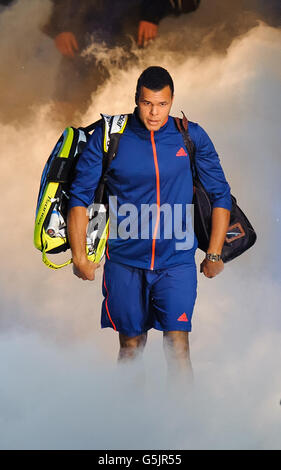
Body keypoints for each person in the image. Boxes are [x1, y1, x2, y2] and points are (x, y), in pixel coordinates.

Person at [67, 66, 231, 388]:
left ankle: (182, 434)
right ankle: (131, 431)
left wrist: (213, 255)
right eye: (147, 103)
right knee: (131, 348)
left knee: (178, 347)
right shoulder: (109, 136)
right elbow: (79, 198)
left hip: (176, 261)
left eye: (163, 104)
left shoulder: (190, 135)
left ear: (172, 101)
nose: (155, 113)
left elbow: (220, 194)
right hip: (125, 262)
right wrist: (79, 257)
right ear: (136, 99)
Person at [42, 1, 201, 121]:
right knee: (65, 105)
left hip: (135, 33)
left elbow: (188, 4)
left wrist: (152, 13)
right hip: (84, 36)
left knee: (128, 105)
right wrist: (62, 27)